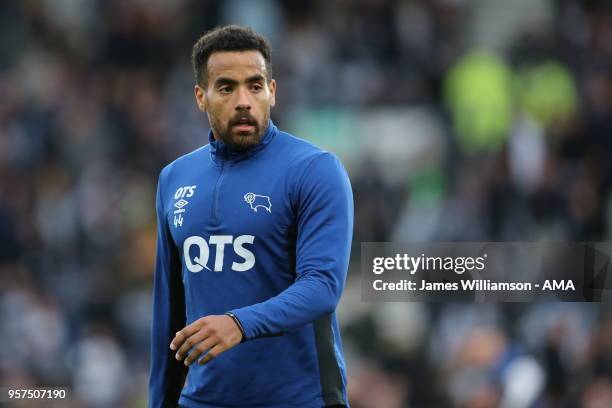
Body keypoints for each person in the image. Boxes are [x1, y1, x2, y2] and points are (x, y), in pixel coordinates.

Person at [148, 25, 353, 408]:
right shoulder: (174, 179)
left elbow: (323, 286)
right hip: (203, 400)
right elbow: (169, 311)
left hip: (299, 398)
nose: (243, 100)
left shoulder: (315, 169)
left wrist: (239, 324)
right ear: (201, 97)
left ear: (272, 92)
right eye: (226, 88)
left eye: (255, 86)